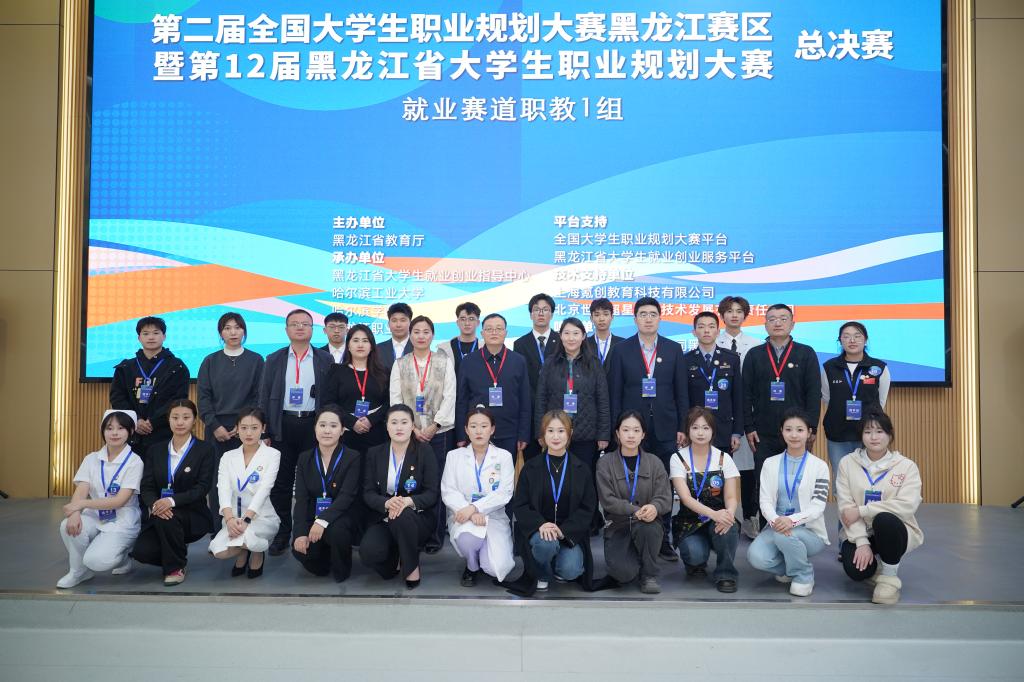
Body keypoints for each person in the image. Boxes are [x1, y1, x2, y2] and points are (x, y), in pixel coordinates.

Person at [607, 296, 688, 560]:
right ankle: (630, 533)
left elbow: (681, 391)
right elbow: (615, 392)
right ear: (635, 319)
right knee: (631, 483)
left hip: (666, 427)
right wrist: (617, 429)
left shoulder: (673, 349)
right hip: (632, 430)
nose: (648, 319)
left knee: (663, 484)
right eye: (643, 314)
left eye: (653, 314)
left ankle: (663, 539)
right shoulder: (621, 349)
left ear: (660, 318)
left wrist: (682, 426)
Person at [257, 309, 333, 555]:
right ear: (287, 329)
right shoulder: (274, 359)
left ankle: (310, 530)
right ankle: (282, 532)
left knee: (313, 481)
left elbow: (330, 396)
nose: (300, 328)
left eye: (305, 324)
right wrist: (264, 431)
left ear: (312, 329)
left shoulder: (325, 359)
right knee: (281, 483)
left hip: (313, 426)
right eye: (294, 324)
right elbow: (264, 396)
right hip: (283, 425)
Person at [742, 304, 821, 528]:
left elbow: (813, 393)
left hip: (797, 433)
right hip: (763, 432)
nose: (777, 323)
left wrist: (811, 427)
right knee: (765, 481)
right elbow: (745, 394)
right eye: (772, 319)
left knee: (797, 481)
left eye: (783, 318)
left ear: (792, 324)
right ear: (765, 324)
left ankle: (799, 524)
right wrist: (749, 427)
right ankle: (767, 527)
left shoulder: (805, 353)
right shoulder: (755, 354)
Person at [836, 409, 922, 604]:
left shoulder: (906, 466)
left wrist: (863, 510)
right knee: (857, 570)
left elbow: (906, 505)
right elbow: (846, 507)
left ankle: (889, 578)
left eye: (879, 431)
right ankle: (877, 568)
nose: (873, 437)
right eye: (867, 432)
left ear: (890, 435)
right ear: (861, 436)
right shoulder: (847, 463)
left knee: (885, 520)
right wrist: (862, 542)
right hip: (861, 529)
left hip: (894, 528)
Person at [509, 410, 597, 593]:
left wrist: (564, 531)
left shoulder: (581, 469)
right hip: (540, 532)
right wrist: (540, 524)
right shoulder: (531, 467)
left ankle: (557, 562)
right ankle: (542, 573)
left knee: (571, 571)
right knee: (545, 544)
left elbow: (588, 508)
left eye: (561, 431)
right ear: (543, 434)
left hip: (568, 534)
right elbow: (521, 504)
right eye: (550, 431)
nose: (556, 437)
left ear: (570, 433)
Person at [390, 315, 457, 554]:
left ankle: (435, 536)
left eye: (426, 331)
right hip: (407, 435)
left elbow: (450, 396)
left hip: (439, 433)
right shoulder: (400, 363)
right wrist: (412, 428)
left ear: (432, 335)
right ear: (410, 335)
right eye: (416, 331)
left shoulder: (443, 361)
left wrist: (435, 425)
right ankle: (412, 532)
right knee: (411, 483)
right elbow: (396, 399)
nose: (421, 336)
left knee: (435, 483)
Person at [131, 399, 216, 586]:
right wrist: (155, 504)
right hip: (160, 511)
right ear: (168, 420)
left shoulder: (205, 449)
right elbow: (146, 486)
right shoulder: (155, 450)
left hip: (192, 513)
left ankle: (175, 568)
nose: (180, 422)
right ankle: (176, 550)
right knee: (141, 552)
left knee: (167, 517)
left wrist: (170, 502)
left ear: (194, 420)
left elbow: (202, 488)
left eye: (186, 417)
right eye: (175, 417)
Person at [747, 409, 830, 596]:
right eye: (788, 429)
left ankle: (803, 575)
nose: (794, 435)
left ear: (809, 433)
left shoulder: (819, 466)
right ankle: (794, 567)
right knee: (756, 557)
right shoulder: (770, 463)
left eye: (800, 430)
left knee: (784, 537)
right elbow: (765, 501)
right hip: (776, 526)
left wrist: (791, 521)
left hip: (809, 531)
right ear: (782, 432)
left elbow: (817, 507)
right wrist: (777, 520)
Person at [57, 410, 144, 588]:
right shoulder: (91, 458)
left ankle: (123, 557)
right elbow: (82, 489)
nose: (114, 433)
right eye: (109, 428)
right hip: (95, 515)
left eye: (120, 428)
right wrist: (75, 513)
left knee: (96, 561)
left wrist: (80, 505)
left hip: (122, 518)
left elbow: (119, 501)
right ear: (102, 431)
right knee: (68, 526)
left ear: (130, 431)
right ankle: (78, 571)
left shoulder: (135, 462)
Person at [361, 404, 440, 589]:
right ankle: (397, 556)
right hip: (385, 515)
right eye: (394, 422)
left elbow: (431, 493)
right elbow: (368, 493)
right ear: (386, 426)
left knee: (403, 516)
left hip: (417, 517)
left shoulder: (424, 451)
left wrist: (407, 501)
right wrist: (387, 502)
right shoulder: (375, 453)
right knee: (369, 554)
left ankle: (411, 567)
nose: (399, 427)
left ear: (412, 426)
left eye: (404, 422)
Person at [197, 311, 264, 526]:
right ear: (221, 333)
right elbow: (203, 397)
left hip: (247, 429)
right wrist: (214, 425)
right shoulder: (210, 361)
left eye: (237, 327)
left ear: (244, 330)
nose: (233, 332)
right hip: (216, 429)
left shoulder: (256, 360)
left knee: (247, 479)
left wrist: (243, 425)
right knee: (219, 480)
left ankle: (246, 525)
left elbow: (258, 396)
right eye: (227, 328)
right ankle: (219, 527)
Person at [596, 410, 672, 594]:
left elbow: (665, 497)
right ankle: (636, 559)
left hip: (647, 522)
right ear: (617, 433)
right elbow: (607, 500)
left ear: (643, 434)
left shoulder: (654, 462)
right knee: (623, 575)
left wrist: (654, 507)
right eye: (626, 430)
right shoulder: (605, 463)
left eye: (636, 430)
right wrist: (633, 510)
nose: (631, 435)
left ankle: (649, 574)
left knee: (649, 529)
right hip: (618, 525)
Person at [440, 407, 516, 586]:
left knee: (494, 569)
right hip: (463, 515)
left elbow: (504, 492)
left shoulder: (504, 456)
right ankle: (471, 566)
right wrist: (469, 512)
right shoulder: (454, 456)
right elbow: (448, 490)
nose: (479, 431)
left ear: (492, 429)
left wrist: (475, 508)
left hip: (493, 516)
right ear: (466, 430)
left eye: (484, 426)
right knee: (468, 541)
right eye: (473, 426)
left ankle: (483, 556)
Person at [670, 407, 741, 593]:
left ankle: (726, 574)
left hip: (719, 518)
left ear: (713, 431)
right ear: (688, 430)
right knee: (695, 555)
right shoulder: (678, 458)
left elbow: (731, 496)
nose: (700, 433)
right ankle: (696, 562)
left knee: (730, 526)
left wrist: (729, 514)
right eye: (695, 427)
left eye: (705, 428)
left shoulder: (724, 458)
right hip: (690, 520)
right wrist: (713, 514)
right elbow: (685, 498)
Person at [291, 405, 365, 583]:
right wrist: (300, 532)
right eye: (322, 425)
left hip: (343, 515)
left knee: (337, 531)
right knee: (301, 551)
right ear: (315, 428)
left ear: (342, 430)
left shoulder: (352, 457)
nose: (327, 431)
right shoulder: (305, 458)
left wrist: (321, 521)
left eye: (333, 426)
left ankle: (342, 568)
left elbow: (347, 496)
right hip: (313, 515)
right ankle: (325, 557)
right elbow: (301, 499)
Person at [209, 408, 281, 578]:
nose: (249, 433)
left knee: (249, 540)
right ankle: (243, 550)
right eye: (244, 428)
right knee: (218, 551)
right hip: (233, 519)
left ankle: (257, 552)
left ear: (263, 428)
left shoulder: (272, 454)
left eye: (254, 428)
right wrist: (229, 520)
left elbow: (264, 490)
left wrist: (247, 519)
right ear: (237, 428)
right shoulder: (228, 456)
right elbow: (223, 490)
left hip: (260, 517)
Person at [821, 322, 892, 494]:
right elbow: (827, 398)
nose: (852, 340)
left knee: (869, 478)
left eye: (857, 336)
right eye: (846, 336)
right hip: (838, 432)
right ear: (840, 341)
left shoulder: (879, 368)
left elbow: (881, 400)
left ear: (865, 340)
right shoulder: (829, 367)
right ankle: (845, 512)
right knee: (842, 479)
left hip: (869, 433)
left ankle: (868, 512)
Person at [455, 313, 531, 457]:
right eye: (489, 329)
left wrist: (523, 434)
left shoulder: (518, 361)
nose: (494, 332)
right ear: (482, 333)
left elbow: (525, 400)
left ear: (506, 333)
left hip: (509, 432)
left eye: (499, 329)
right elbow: (461, 401)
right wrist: (461, 434)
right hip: (476, 432)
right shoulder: (468, 361)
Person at [109, 316, 189, 454]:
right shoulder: (126, 367)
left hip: (164, 433)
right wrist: (136, 420)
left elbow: (178, 399)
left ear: (164, 336)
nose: (151, 337)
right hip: (132, 433)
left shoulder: (177, 367)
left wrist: (153, 422)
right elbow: (117, 398)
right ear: (139, 338)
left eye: (156, 333)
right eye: (145, 333)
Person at [717, 296, 760, 539]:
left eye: (739, 311)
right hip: (721, 414)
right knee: (721, 468)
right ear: (722, 315)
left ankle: (750, 516)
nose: (734, 315)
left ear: (745, 315)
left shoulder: (755, 344)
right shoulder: (713, 340)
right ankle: (724, 516)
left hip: (748, 413)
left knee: (748, 468)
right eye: (729, 311)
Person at [323, 324, 390, 454]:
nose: (360, 345)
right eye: (355, 340)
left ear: (371, 346)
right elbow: (329, 403)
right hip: (345, 434)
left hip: (376, 434)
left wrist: (371, 420)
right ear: (348, 345)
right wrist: (352, 422)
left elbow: (389, 402)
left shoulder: (383, 372)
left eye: (365, 341)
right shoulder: (337, 371)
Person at [684, 312, 744, 455]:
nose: (706, 331)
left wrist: (737, 432)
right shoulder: (685, 360)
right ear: (694, 332)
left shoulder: (731, 358)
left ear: (718, 331)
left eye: (711, 327)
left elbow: (738, 398)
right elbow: (683, 398)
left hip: (724, 429)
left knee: (722, 467)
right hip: (695, 429)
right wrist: (684, 430)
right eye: (701, 327)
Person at [514, 293, 561, 461]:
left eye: (545, 309)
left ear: (552, 314)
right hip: (531, 411)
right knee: (533, 462)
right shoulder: (520, 344)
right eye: (536, 310)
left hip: (557, 409)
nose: (541, 313)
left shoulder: (561, 341)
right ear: (530, 314)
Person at [441, 301, 480, 375]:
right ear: (457, 322)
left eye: (471, 319)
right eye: (463, 319)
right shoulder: (444, 349)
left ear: (478, 323)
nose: (467, 323)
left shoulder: (485, 347)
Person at [585, 297, 624, 369]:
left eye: (605, 314)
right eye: (597, 315)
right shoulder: (584, 344)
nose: (601, 319)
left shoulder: (622, 344)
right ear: (591, 318)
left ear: (612, 317)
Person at [376, 302, 413, 372]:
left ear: (410, 323)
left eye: (403, 320)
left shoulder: (418, 348)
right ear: (388, 324)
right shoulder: (377, 349)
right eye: (394, 320)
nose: (398, 325)